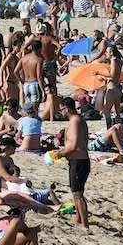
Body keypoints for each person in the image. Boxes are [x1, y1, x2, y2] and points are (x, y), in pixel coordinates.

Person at [54, 97, 90, 231]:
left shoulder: (75, 121)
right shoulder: (78, 120)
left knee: (78, 194)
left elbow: (74, 145)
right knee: (75, 192)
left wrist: (60, 153)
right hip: (79, 161)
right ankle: (79, 218)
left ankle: (85, 225)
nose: (61, 112)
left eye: (62, 109)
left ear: (67, 108)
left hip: (79, 161)